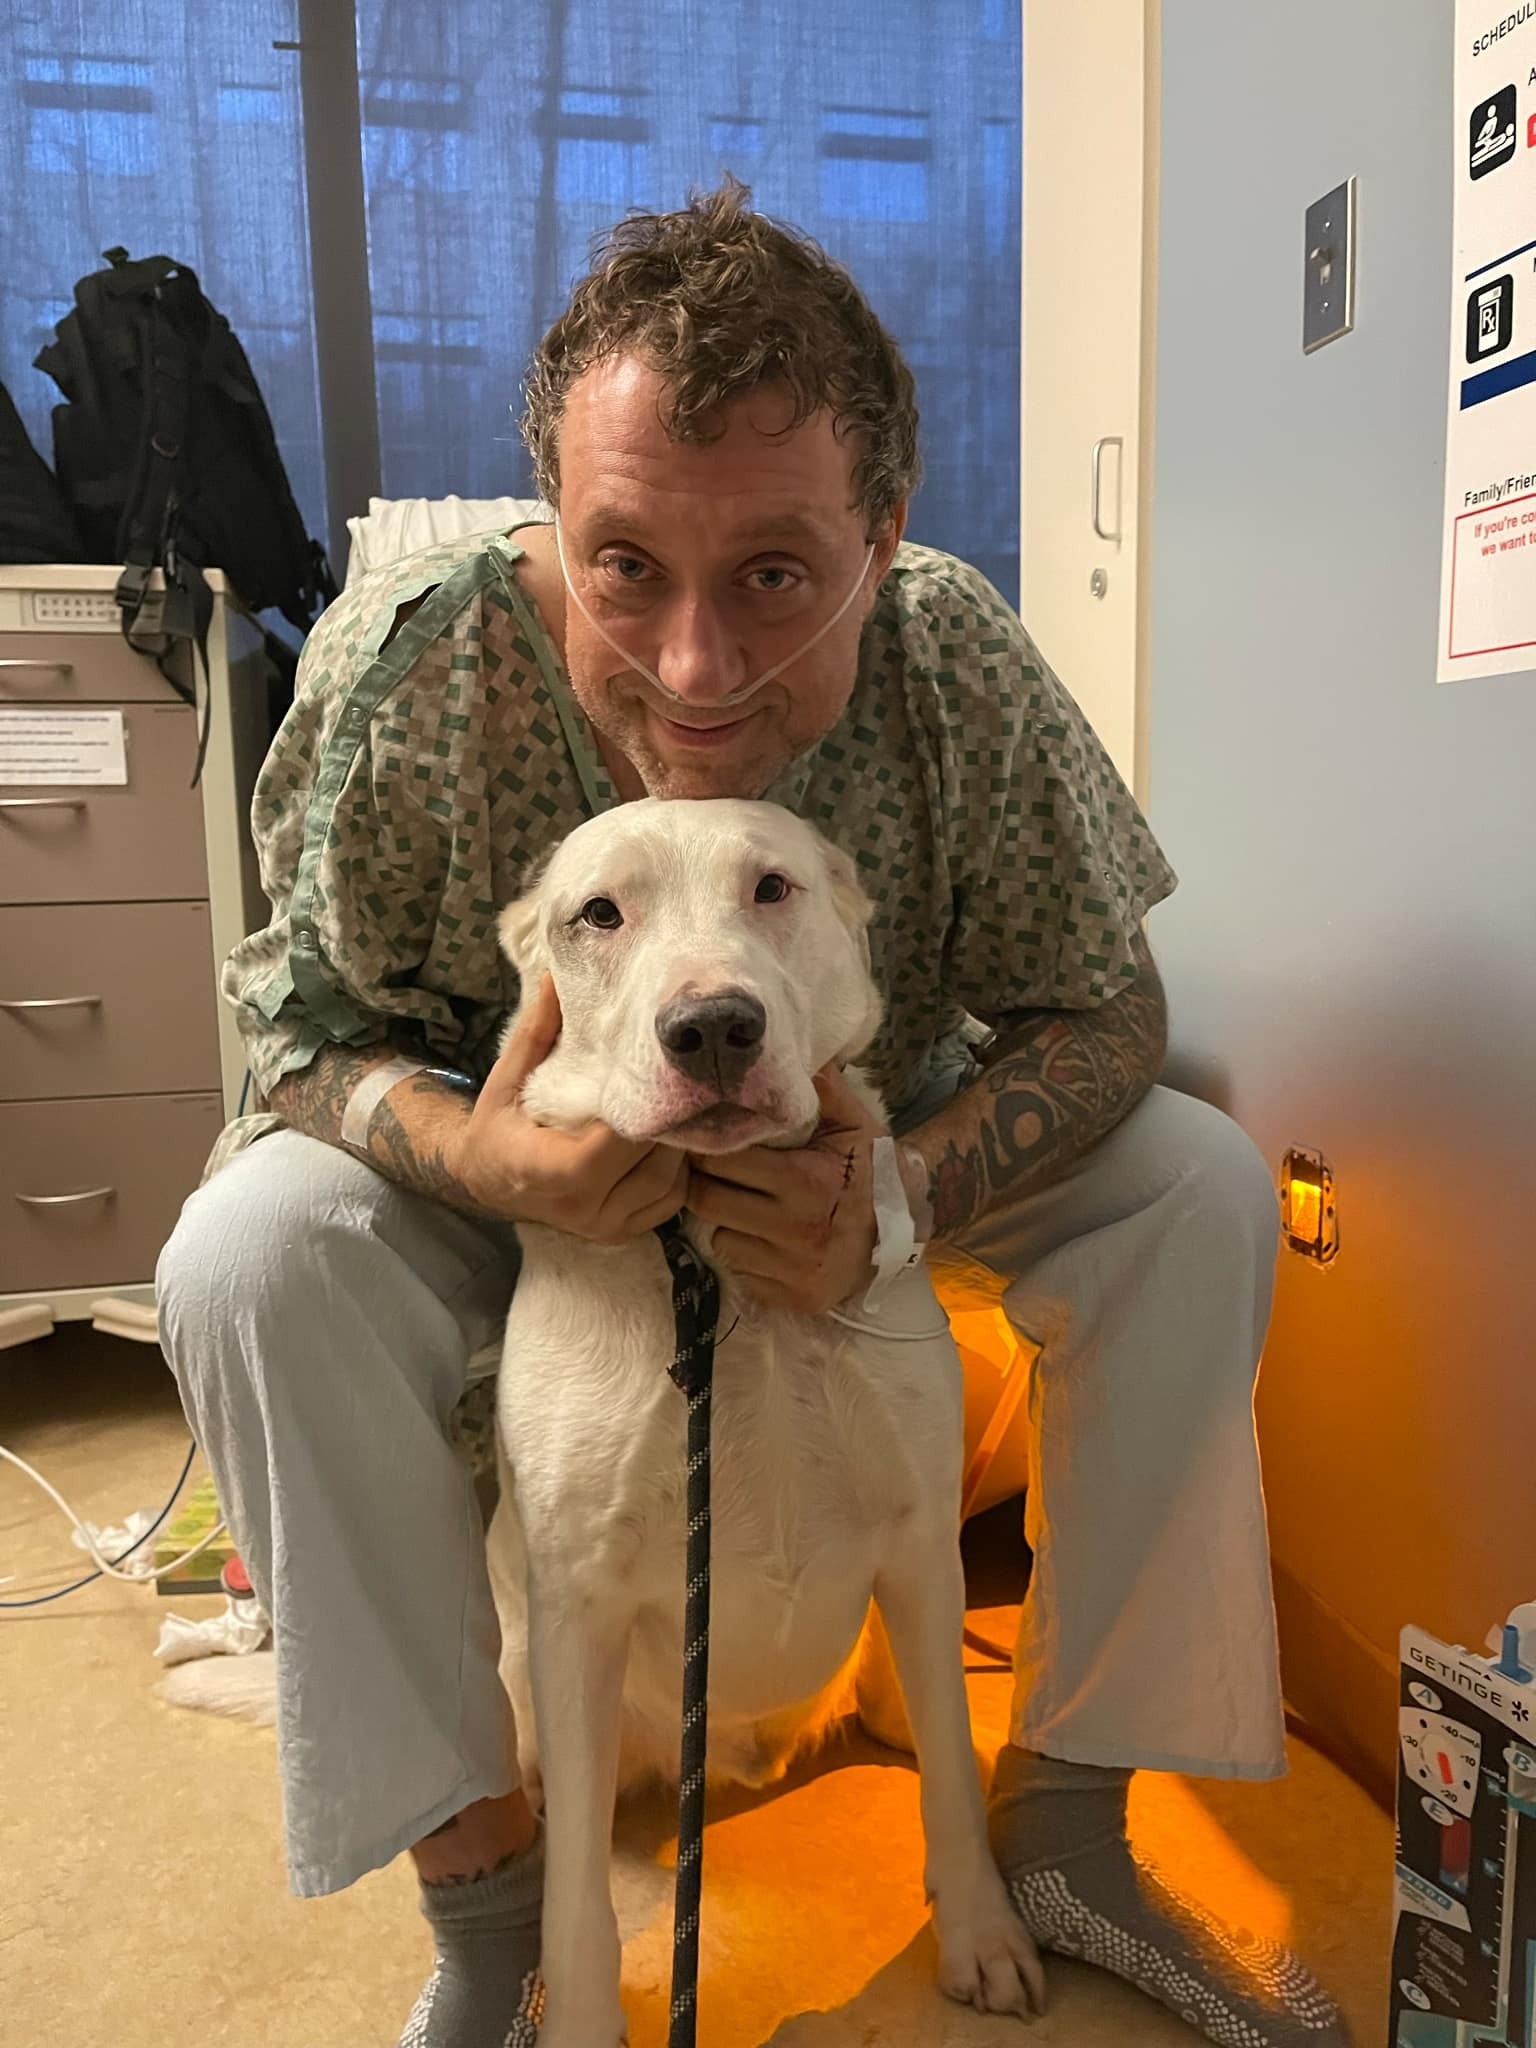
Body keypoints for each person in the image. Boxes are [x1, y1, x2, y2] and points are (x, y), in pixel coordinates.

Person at [157, 178, 1351, 2048]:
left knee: (1196, 1184)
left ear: (883, 539)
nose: (697, 673)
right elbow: (292, 1024)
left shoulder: (958, 662)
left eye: (778, 576)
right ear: (557, 519)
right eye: (626, 566)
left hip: (873, 1133)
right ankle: (490, 1921)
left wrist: (909, 1188)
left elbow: (1108, 1001)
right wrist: (485, 1156)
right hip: (516, 1157)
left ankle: (1064, 1828)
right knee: (246, 1254)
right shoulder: (413, 671)